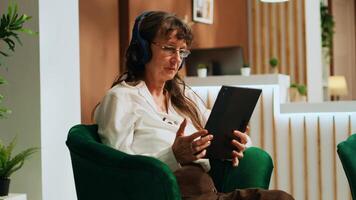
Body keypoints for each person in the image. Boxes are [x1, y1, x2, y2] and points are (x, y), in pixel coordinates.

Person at [94, 11, 293, 200]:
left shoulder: (183, 96)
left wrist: (236, 142)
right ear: (143, 50)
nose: (177, 60)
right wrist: (172, 155)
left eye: (182, 52)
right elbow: (118, 170)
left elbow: (214, 131)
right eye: (169, 49)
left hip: (207, 189)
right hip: (168, 192)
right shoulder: (121, 97)